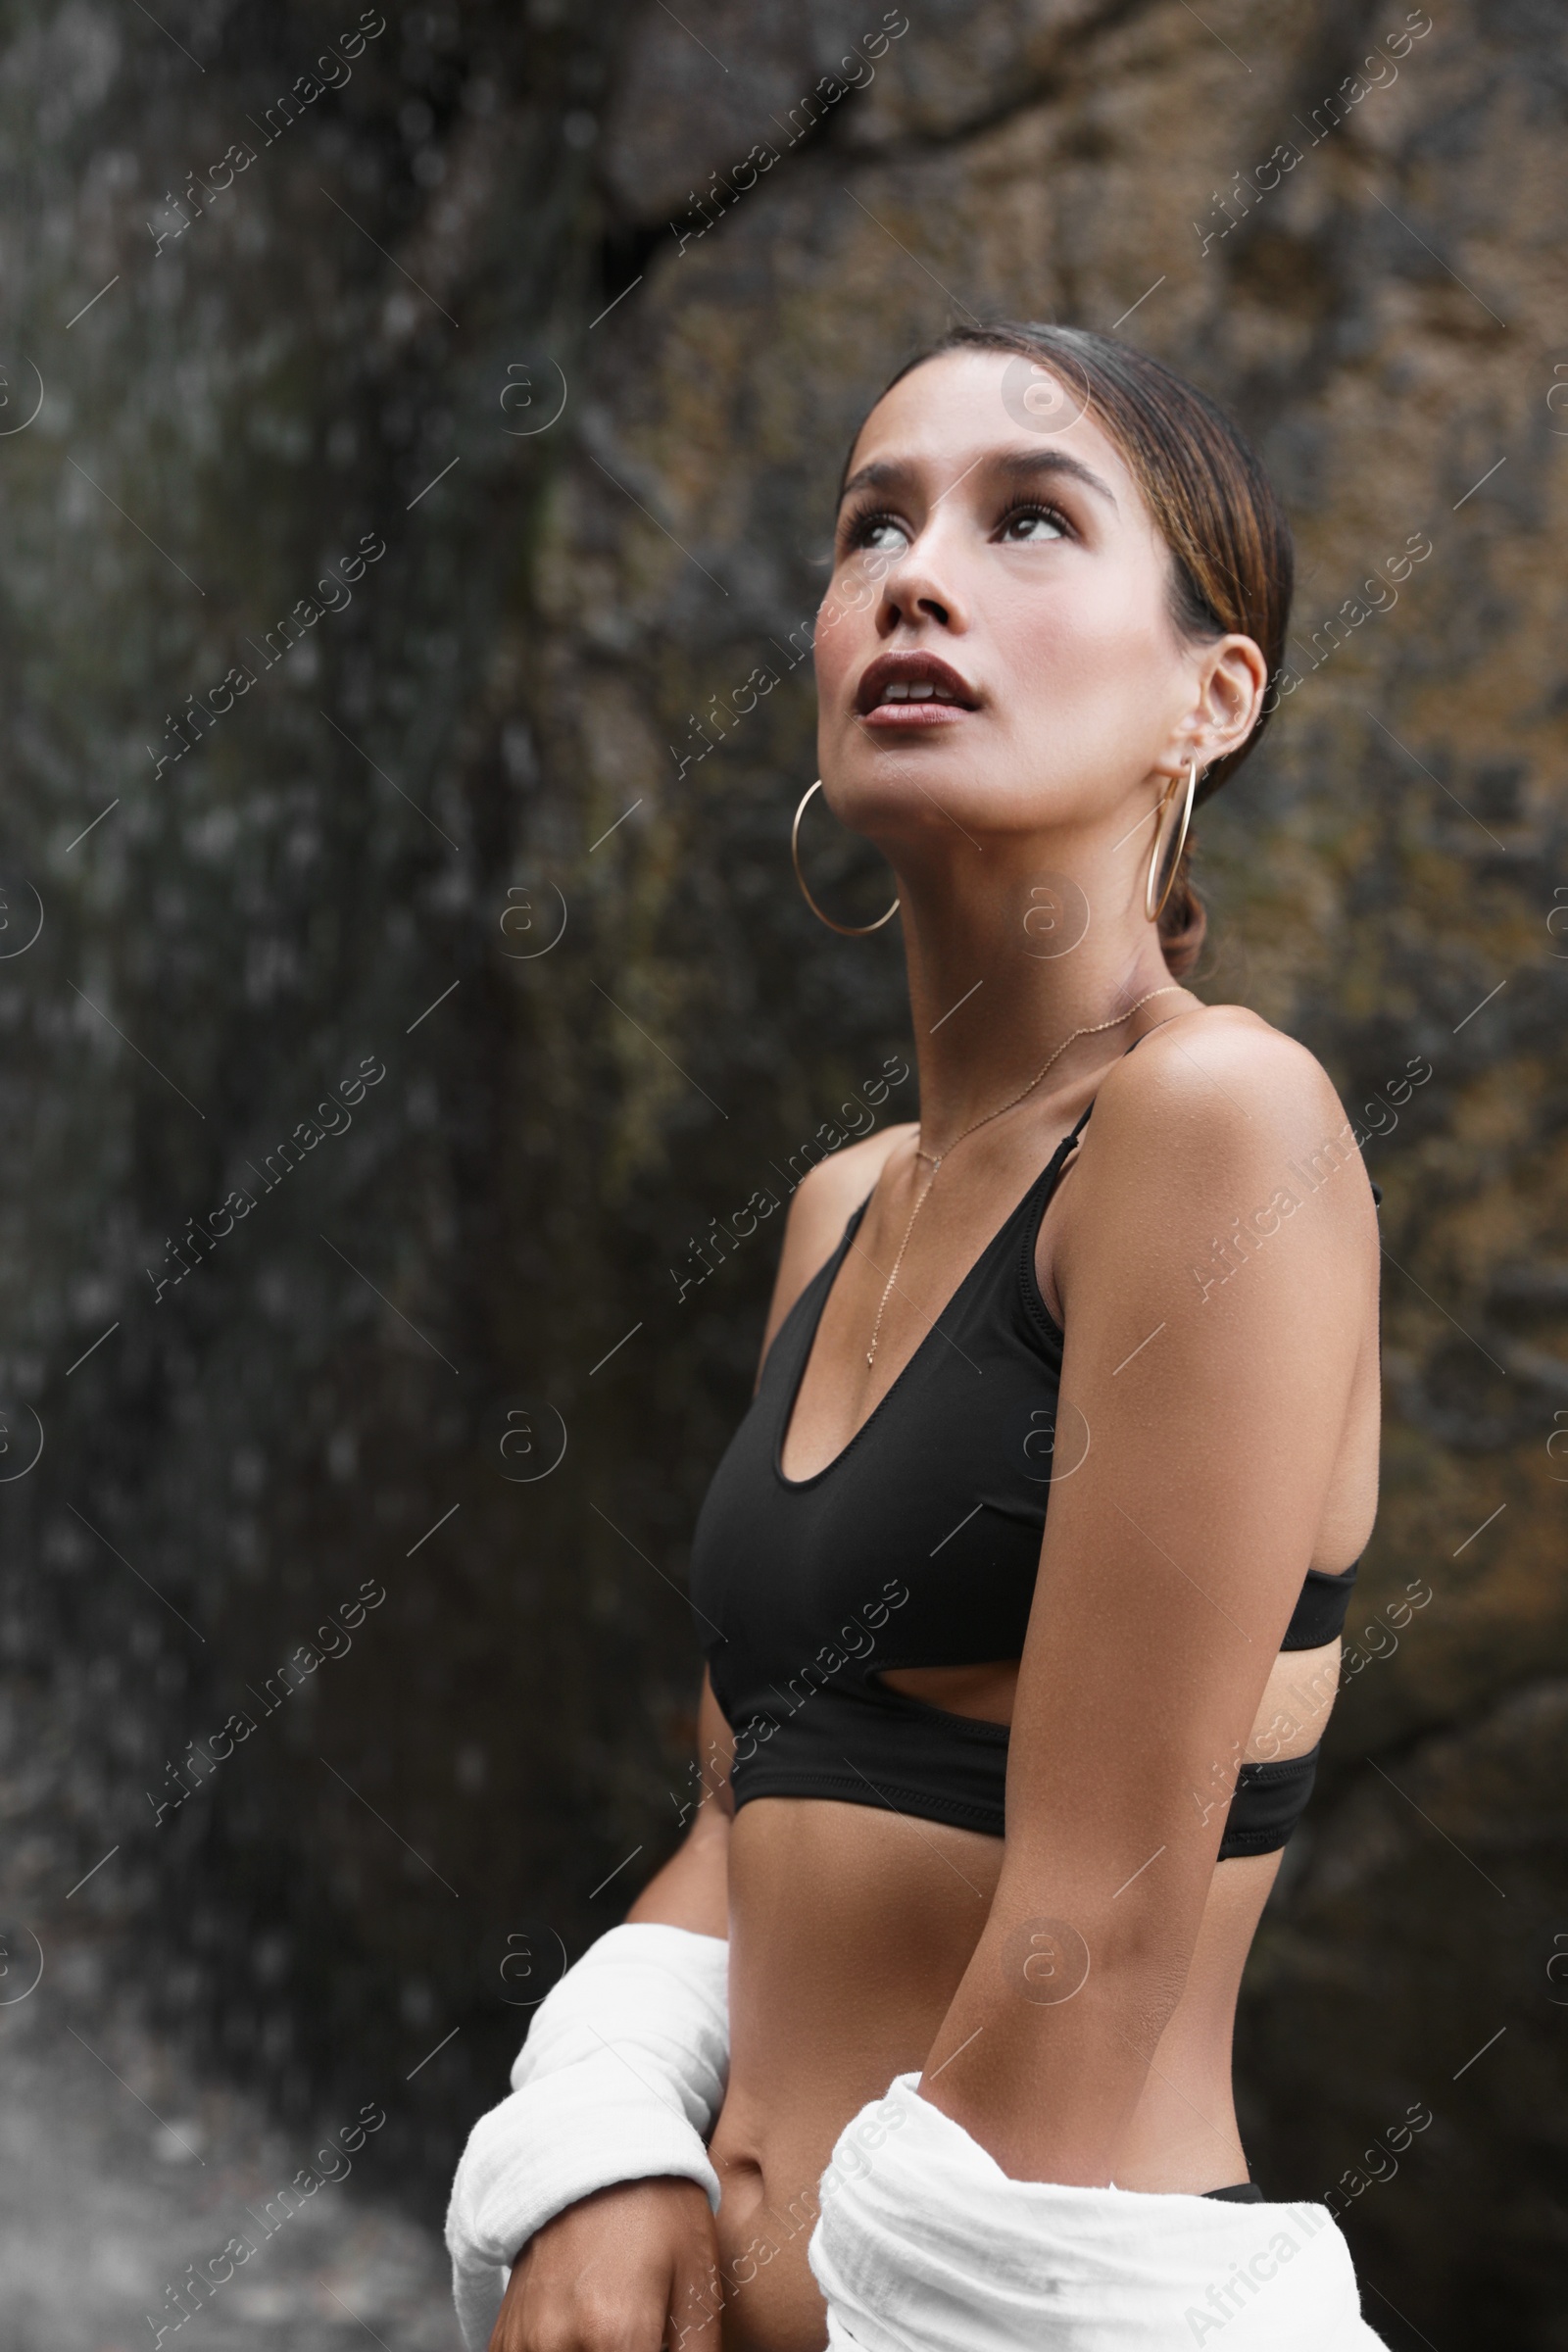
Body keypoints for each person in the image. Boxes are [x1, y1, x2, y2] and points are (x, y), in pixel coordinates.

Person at [447, 322, 1391, 2352]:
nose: (913, 576)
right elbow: (739, 1822)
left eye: (1026, 519)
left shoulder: (1220, 1127)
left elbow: (1099, 1932)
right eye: (871, 522)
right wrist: (603, 2159)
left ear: (1203, 700)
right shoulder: (838, 1212)